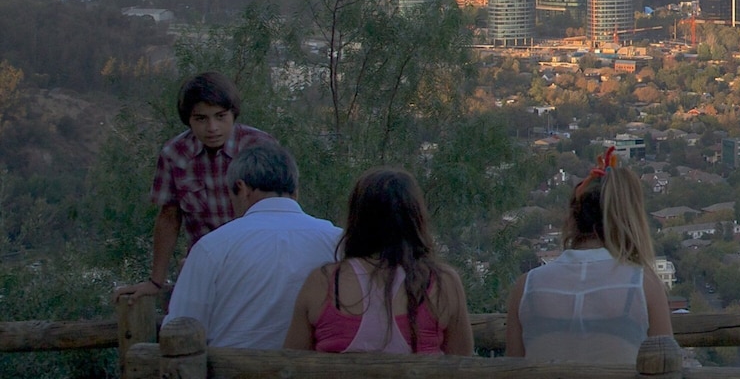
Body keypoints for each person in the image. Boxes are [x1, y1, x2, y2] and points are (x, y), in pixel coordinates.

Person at [115, 72, 279, 300]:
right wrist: (156, 280)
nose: (212, 127)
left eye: (220, 116)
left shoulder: (260, 147)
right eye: (201, 119)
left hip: (260, 265)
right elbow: (169, 217)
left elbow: (283, 210)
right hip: (205, 267)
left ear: (233, 114)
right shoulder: (175, 154)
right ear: (188, 120)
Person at [163, 144, 340, 349]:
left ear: (242, 188)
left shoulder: (213, 247)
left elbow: (181, 325)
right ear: (296, 190)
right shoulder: (337, 241)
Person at [506, 150, 672, 362]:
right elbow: (667, 366)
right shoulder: (644, 285)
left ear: (574, 217)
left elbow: (513, 367)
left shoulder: (526, 288)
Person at [285, 168, 474, 355]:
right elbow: (462, 365)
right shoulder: (442, 283)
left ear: (357, 218)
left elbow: (291, 364)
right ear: (415, 218)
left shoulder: (323, 282)